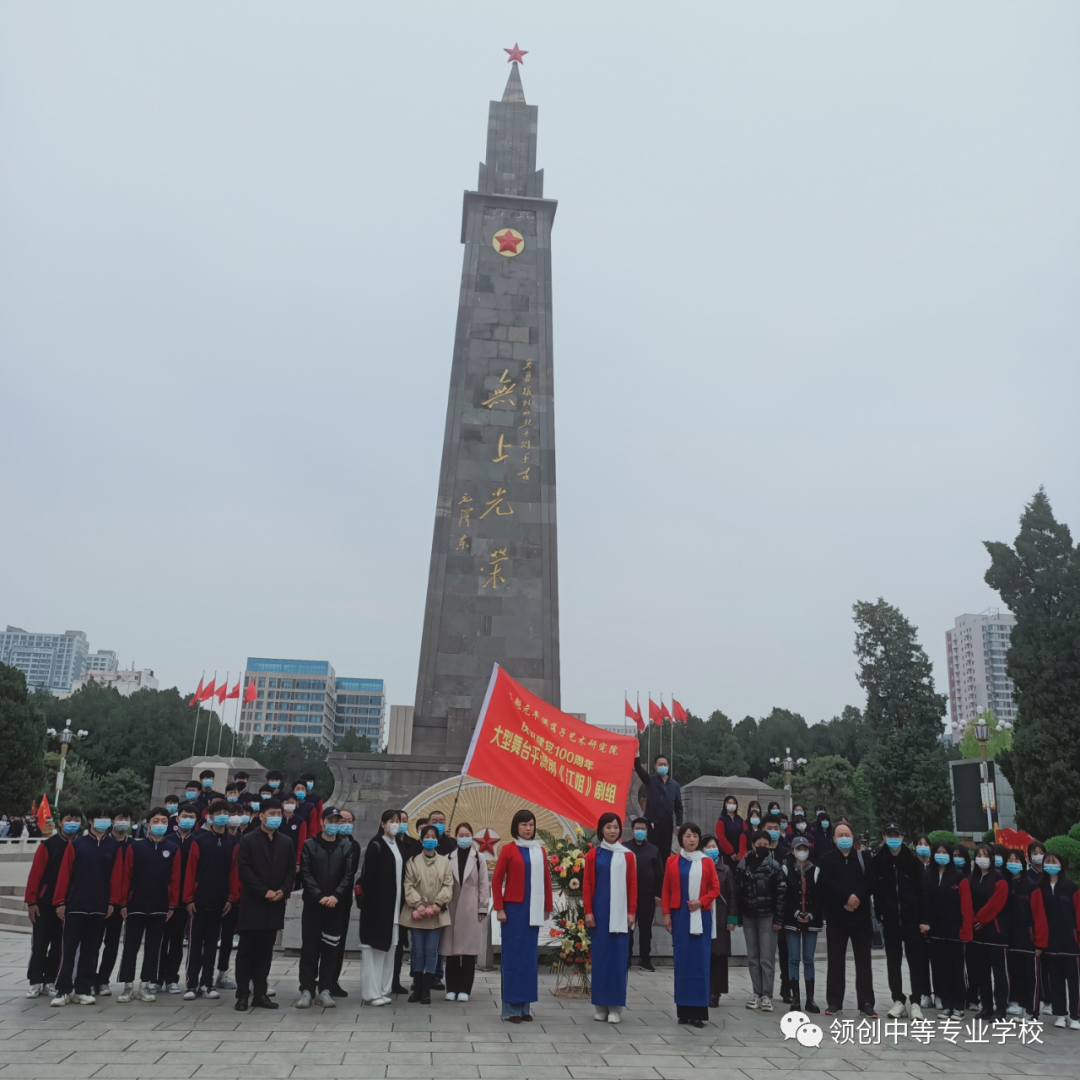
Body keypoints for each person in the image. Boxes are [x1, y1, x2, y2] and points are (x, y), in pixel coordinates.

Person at [50, 805, 126, 1006]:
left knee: (90, 950)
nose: (104, 821)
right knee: (69, 950)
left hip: (100, 907)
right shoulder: (77, 845)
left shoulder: (113, 847)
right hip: (75, 906)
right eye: (99, 817)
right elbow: (64, 875)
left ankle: (83, 989)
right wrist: (60, 902)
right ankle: (63, 990)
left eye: (106, 818)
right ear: (90, 821)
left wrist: (112, 902)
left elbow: (116, 878)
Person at [492, 809, 553, 1023]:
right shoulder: (508, 849)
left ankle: (525, 1007)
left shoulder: (540, 851)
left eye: (531, 824)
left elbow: (546, 879)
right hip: (513, 911)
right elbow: (497, 879)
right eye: (524, 825)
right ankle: (511, 1009)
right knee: (512, 958)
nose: (528, 828)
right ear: (516, 827)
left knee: (528, 960)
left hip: (533, 910)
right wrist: (499, 907)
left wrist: (547, 906)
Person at [115, 807, 181, 1002]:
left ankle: (146, 984)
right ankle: (127, 985)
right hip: (135, 905)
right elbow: (126, 876)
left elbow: (175, 879)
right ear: (148, 824)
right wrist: (123, 903)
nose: (159, 824)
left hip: (160, 906)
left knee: (153, 948)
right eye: (156, 821)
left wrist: (172, 904)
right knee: (130, 947)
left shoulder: (173, 849)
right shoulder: (135, 847)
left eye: (163, 821)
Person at [234, 799, 293, 1011]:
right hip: (253, 904)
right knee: (246, 950)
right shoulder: (248, 840)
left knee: (265, 952)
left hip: (275, 905)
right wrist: (263, 891)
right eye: (272, 813)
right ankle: (242, 994)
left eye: (279, 813)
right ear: (261, 816)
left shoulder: (286, 841)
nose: (276, 816)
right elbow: (244, 870)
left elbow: (290, 870)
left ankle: (260, 993)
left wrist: (283, 890)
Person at [295, 805, 356, 1009]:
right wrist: (320, 896)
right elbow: (306, 872)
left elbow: (348, 874)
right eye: (330, 821)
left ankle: (325, 989)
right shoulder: (309, 845)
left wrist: (336, 895)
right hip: (314, 905)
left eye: (336, 821)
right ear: (322, 822)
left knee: (331, 949)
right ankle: (306, 989)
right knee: (310, 948)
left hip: (335, 906)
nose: (333, 825)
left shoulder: (346, 847)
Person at [663, 822, 719, 1027]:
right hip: (680, 916)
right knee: (682, 963)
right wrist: (666, 914)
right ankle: (683, 1011)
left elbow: (715, 888)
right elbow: (666, 890)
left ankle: (698, 1013)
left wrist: (701, 901)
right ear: (681, 839)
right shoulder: (672, 862)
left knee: (700, 964)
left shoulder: (706, 862)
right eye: (688, 836)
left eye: (695, 835)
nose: (692, 839)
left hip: (701, 917)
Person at [182, 799, 240, 1000]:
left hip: (220, 901)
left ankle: (207, 983)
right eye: (218, 812)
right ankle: (191, 984)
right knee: (195, 944)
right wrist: (188, 898)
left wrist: (232, 898)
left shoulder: (232, 842)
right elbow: (191, 870)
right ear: (210, 816)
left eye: (226, 812)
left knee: (212, 944)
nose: (223, 815)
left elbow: (234, 872)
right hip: (198, 902)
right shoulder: (199, 839)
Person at [583, 812, 637, 1023]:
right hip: (599, 914)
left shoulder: (628, 855)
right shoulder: (594, 855)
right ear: (601, 830)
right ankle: (600, 1006)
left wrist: (631, 911)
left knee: (617, 960)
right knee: (601, 960)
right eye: (608, 827)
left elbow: (632, 885)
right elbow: (587, 885)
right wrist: (588, 910)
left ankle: (615, 1008)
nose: (612, 831)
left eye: (615, 827)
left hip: (621, 915)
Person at [818, 821, 875, 1017]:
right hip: (837, 917)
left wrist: (856, 898)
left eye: (847, 835)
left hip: (861, 918)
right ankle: (834, 1002)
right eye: (840, 835)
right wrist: (846, 898)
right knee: (835, 961)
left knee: (864, 961)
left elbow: (871, 881)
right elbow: (826, 883)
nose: (844, 838)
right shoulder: (827, 859)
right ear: (834, 839)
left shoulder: (864, 857)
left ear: (853, 837)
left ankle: (866, 1003)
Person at [872, 823, 928, 1020]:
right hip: (890, 919)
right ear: (884, 837)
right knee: (893, 962)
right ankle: (897, 1000)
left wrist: (924, 919)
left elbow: (922, 892)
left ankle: (915, 1003)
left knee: (916, 962)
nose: (893, 838)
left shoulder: (913, 862)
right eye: (889, 835)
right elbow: (876, 890)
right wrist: (879, 913)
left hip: (911, 918)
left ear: (903, 838)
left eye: (896, 835)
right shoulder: (878, 860)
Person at [25, 805, 81, 997]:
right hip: (45, 905)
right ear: (60, 822)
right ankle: (35, 980)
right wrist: (32, 902)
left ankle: (50, 979)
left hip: (68, 905)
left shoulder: (80, 846)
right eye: (68, 819)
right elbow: (35, 876)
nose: (72, 823)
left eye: (76, 820)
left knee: (59, 945)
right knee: (40, 944)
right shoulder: (48, 846)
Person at [400, 824, 454, 1004]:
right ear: (421, 840)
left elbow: (448, 884)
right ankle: (417, 984)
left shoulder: (445, 862)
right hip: (417, 913)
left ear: (437, 841)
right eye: (427, 836)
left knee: (431, 951)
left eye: (433, 836)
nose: (430, 839)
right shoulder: (413, 861)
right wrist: (417, 905)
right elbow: (408, 885)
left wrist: (439, 903)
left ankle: (427, 989)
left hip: (436, 914)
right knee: (417, 950)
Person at [359, 810, 405, 1005]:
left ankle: (384, 989)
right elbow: (368, 880)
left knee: (390, 951)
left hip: (395, 910)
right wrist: (375, 906)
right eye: (391, 821)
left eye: (398, 821)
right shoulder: (376, 845)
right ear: (383, 824)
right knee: (374, 952)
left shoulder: (398, 846)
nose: (395, 824)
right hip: (378, 911)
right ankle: (371, 993)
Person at [440, 822, 490, 1002]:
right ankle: (451, 988)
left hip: (471, 908)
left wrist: (483, 907)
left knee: (468, 952)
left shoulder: (479, 857)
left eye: (467, 834)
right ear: (456, 837)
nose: (464, 838)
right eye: (461, 835)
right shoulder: (447, 858)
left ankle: (465, 989)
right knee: (451, 952)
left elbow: (484, 884)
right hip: (451, 907)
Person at [959, 841, 1010, 1021]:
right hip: (977, 934)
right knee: (982, 973)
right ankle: (987, 1006)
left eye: (985, 856)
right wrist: (972, 920)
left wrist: (979, 919)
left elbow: (995, 905)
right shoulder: (971, 879)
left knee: (999, 973)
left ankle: (1001, 1008)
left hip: (995, 933)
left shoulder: (1000, 880)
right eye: (978, 856)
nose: (982, 860)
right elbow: (966, 902)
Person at [735, 829, 785, 1012]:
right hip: (749, 916)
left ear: (770, 845)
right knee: (753, 958)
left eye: (766, 844)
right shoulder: (743, 865)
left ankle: (767, 995)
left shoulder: (774, 866)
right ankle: (756, 992)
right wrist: (738, 917)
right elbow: (738, 893)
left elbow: (781, 895)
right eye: (759, 844)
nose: (762, 847)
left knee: (767, 958)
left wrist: (778, 919)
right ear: (752, 845)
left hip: (767, 917)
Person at [1030, 849, 1080, 1028]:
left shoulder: (1071, 887)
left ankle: (1075, 1016)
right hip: (1049, 944)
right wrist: (1039, 941)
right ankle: (1060, 1014)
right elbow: (1035, 916)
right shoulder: (1039, 889)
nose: (1051, 865)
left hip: (1071, 944)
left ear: (1061, 864)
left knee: (1074, 983)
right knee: (1056, 982)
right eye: (1048, 862)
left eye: (1054, 862)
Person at [94, 805, 134, 996]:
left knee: (112, 944)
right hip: (99, 900)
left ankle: (103, 980)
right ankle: (89, 977)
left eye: (126, 818)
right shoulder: (103, 843)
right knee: (92, 943)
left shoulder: (133, 845)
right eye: (119, 817)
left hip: (120, 904)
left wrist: (123, 902)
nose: (123, 821)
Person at [924, 841, 967, 1017]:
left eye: (945, 852)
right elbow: (924, 902)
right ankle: (947, 1004)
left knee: (956, 969)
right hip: (935, 931)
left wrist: (964, 929)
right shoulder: (928, 876)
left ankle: (959, 1006)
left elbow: (965, 906)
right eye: (938, 852)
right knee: (940, 970)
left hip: (954, 931)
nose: (941, 855)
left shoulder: (958, 877)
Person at [159, 803, 198, 993]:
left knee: (176, 941)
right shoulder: (167, 840)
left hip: (186, 901)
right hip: (165, 898)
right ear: (177, 818)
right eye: (185, 815)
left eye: (192, 816)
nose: (188, 819)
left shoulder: (197, 841)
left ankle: (172, 978)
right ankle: (156, 978)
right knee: (161, 939)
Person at [780, 834, 822, 1014]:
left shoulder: (816, 870)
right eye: (799, 849)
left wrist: (811, 914)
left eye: (805, 849)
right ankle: (795, 998)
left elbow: (821, 896)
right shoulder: (786, 869)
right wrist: (796, 913)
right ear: (793, 851)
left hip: (812, 920)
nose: (802, 852)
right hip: (792, 920)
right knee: (794, 959)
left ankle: (810, 999)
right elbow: (784, 895)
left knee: (809, 959)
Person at [700, 834, 738, 1007]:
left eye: (714, 846)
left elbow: (732, 896)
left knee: (719, 956)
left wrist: (732, 918)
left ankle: (716, 992)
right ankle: (704, 989)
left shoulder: (726, 870)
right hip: (702, 915)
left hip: (721, 917)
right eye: (708, 847)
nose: (711, 849)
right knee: (704, 954)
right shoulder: (697, 867)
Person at [1004, 849, 1038, 1019]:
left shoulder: (1031, 884)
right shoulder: (1004, 883)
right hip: (1008, 937)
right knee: (1013, 971)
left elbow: (1037, 913)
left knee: (1029, 974)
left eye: (1016, 860)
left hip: (1027, 937)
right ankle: (1014, 1001)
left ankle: (1030, 1006)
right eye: (1009, 860)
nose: (1012, 863)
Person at [627, 816, 664, 972]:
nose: (640, 831)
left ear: (647, 831)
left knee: (646, 930)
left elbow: (659, 875)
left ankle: (645, 959)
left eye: (643, 829)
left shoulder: (653, 850)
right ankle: (626, 958)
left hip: (647, 897)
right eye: (637, 829)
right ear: (632, 830)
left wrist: (658, 895)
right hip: (628, 897)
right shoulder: (624, 848)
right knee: (628, 929)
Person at [633, 750, 683, 856]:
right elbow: (638, 768)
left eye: (665, 764)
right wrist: (637, 752)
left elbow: (678, 806)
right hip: (653, 822)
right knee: (653, 851)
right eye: (660, 764)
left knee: (665, 852)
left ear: (668, 766)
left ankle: (664, 872)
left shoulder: (675, 785)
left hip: (667, 823)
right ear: (655, 767)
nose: (663, 766)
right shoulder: (650, 780)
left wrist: (679, 823)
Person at [715, 796, 747, 869]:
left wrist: (740, 852)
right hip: (727, 855)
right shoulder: (721, 820)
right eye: (730, 803)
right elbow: (721, 837)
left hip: (740, 854)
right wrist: (731, 852)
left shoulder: (740, 820)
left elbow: (745, 835)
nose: (732, 805)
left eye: (733, 803)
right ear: (725, 804)